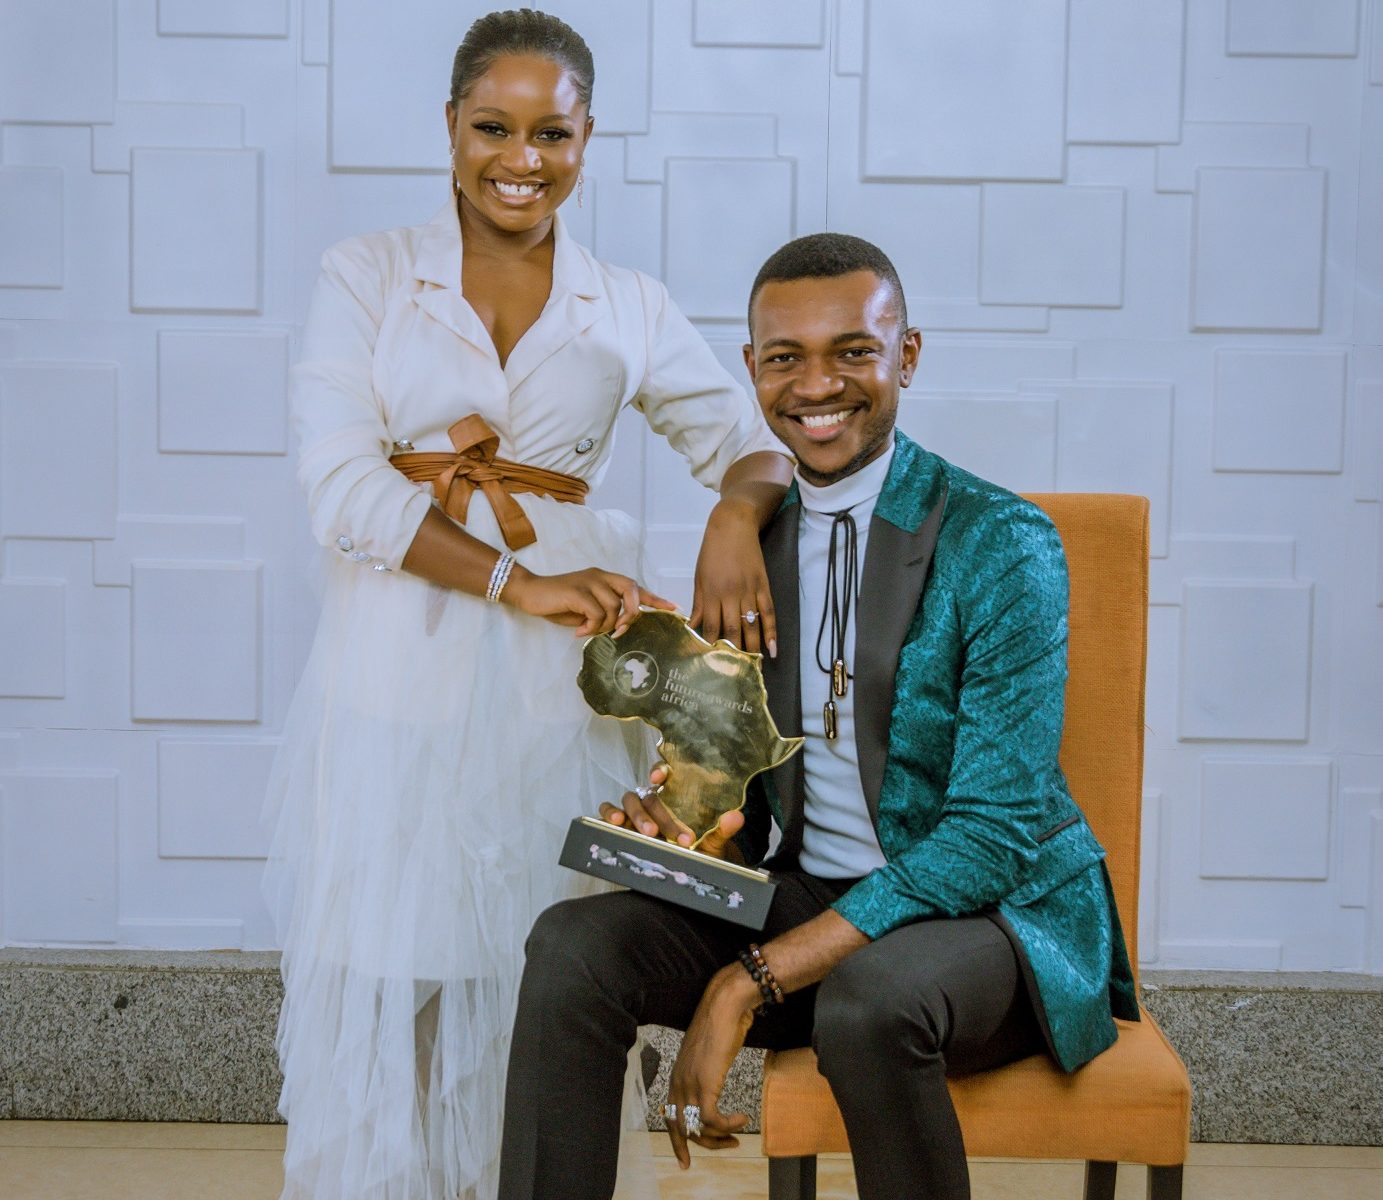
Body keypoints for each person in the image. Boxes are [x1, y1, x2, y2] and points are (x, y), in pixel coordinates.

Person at [264, 10, 792, 1200]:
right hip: (395, 664)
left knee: (539, 964)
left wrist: (731, 514)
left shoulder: (626, 301)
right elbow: (340, 484)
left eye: (551, 133)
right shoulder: (368, 274)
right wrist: (517, 579)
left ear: (587, 136)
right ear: (451, 126)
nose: (522, 157)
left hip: (562, 693)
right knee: (393, 966)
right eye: (493, 127)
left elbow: (753, 443)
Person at [496, 233, 1140, 1200]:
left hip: (993, 923)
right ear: (751, 368)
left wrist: (745, 981)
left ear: (906, 356)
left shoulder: (1000, 541)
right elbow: (755, 797)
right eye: (784, 358)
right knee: (571, 948)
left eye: (852, 351)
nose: (816, 385)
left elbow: (990, 838)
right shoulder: (757, 549)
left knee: (869, 1005)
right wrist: (692, 833)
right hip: (811, 895)